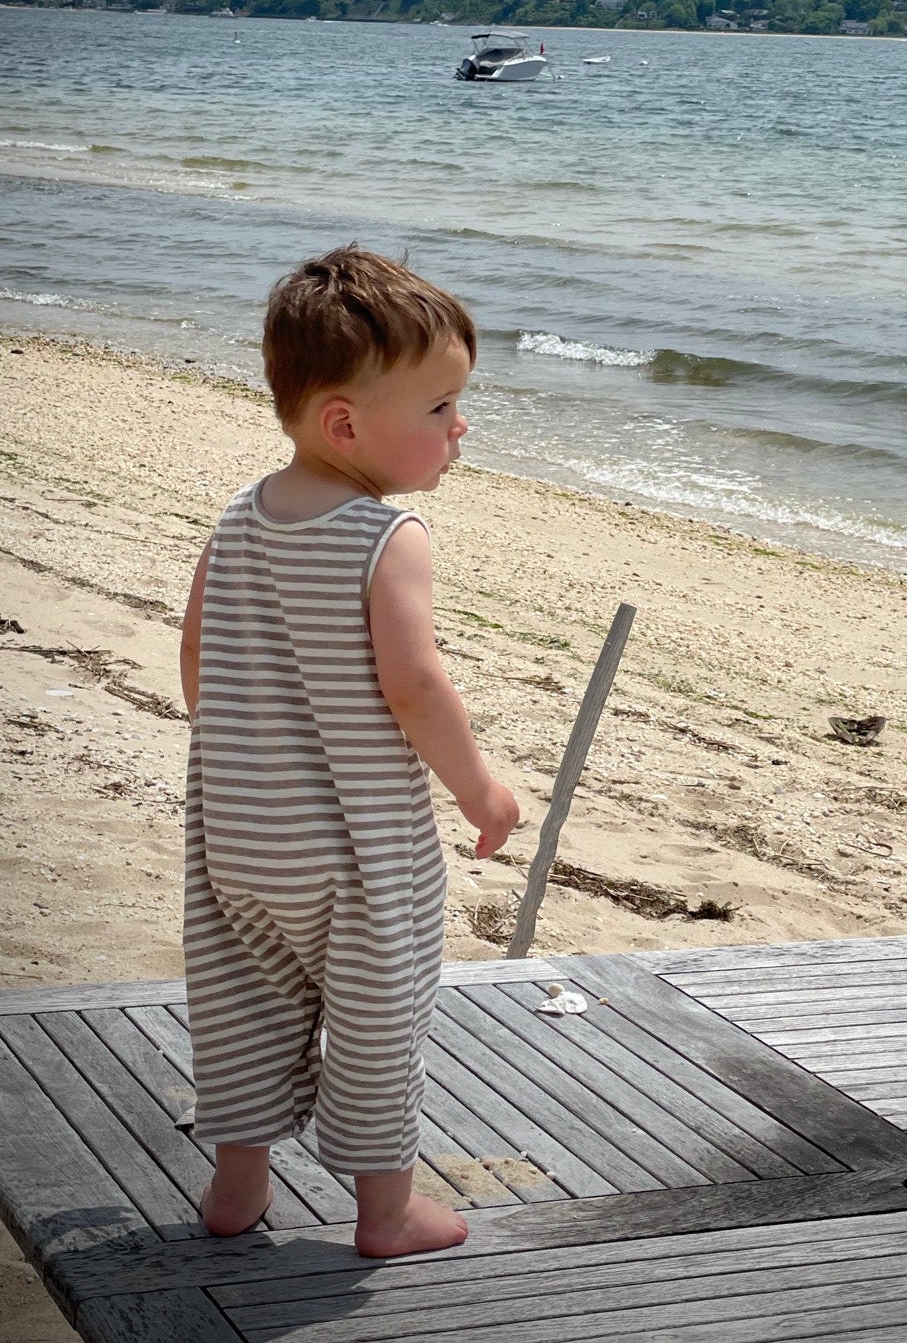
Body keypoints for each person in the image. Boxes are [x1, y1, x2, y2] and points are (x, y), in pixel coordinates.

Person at [179, 245, 519, 1258]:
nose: (461, 427)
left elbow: (197, 654)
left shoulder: (241, 516)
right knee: (377, 1022)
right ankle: (385, 1211)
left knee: (241, 1001)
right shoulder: (386, 535)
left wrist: (244, 750)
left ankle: (236, 1185)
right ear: (344, 423)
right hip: (360, 849)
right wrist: (482, 792)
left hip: (235, 835)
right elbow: (415, 686)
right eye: (440, 408)